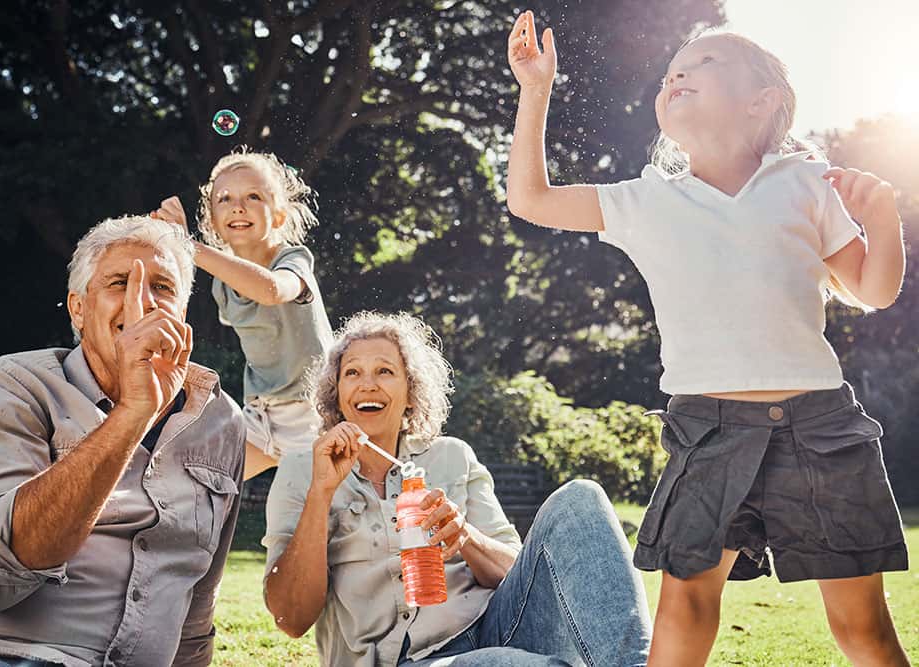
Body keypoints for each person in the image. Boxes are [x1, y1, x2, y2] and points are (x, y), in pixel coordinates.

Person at [506, 11, 910, 666]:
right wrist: (536, 91)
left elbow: (871, 288)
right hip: (708, 431)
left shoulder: (807, 183)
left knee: (861, 627)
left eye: (707, 63)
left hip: (819, 428)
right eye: (673, 72)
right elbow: (530, 198)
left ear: (762, 102)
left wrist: (883, 219)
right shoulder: (645, 200)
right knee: (686, 609)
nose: (679, 74)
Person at [0, 216, 246, 666]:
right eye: (119, 282)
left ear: (183, 313)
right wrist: (134, 412)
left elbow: (195, 602)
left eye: (164, 287)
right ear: (78, 309)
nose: (143, 301)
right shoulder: (9, 386)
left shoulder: (222, 421)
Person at [262, 311, 652, 667]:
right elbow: (290, 619)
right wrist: (321, 494)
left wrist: (465, 535)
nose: (367, 384)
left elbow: (517, 577)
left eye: (384, 371)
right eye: (352, 373)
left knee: (580, 499)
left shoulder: (452, 457)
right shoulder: (303, 468)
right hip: (402, 661)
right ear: (336, 393)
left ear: (411, 393)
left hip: (493, 628)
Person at [153, 148, 333, 481]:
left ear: (278, 216)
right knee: (191, 484)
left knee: (323, 514)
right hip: (261, 419)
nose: (239, 206)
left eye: (254, 196)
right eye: (225, 199)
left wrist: (189, 246)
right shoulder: (222, 283)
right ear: (212, 220)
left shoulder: (293, 260)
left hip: (314, 416)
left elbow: (271, 291)